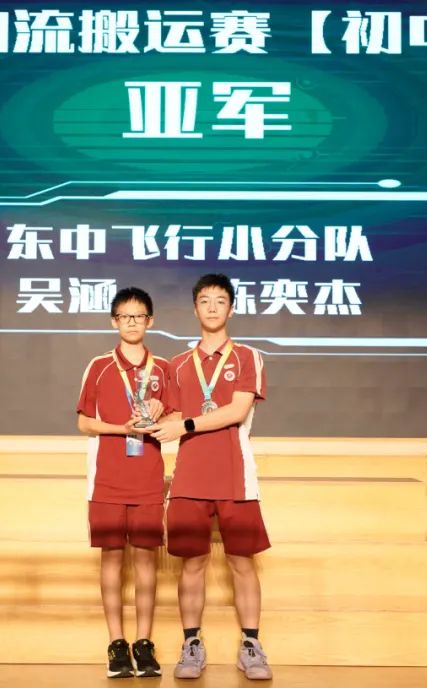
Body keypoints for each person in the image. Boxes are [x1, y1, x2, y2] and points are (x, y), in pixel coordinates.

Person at [147, 273, 273, 681]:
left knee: (242, 562)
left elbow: (236, 411)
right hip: (189, 478)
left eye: (221, 300)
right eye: (205, 300)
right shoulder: (177, 365)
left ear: (231, 309)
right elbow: (171, 414)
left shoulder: (248, 357)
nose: (213, 307)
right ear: (195, 308)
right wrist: (152, 412)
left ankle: (251, 645)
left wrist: (183, 424)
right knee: (192, 563)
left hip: (236, 475)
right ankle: (191, 644)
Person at [76, 287, 170, 679]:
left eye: (139, 316)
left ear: (151, 321)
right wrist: (123, 428)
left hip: (147, 477)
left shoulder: (163, 368)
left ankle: (143, 643)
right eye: (125, 316)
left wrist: (163, 410)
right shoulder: (99, 366)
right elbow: (84, 422)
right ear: (114, 321)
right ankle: (116, 643)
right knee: (112, 559)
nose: (132, 322)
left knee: (146, 561)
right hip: (108, 479)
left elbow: (178, 417)